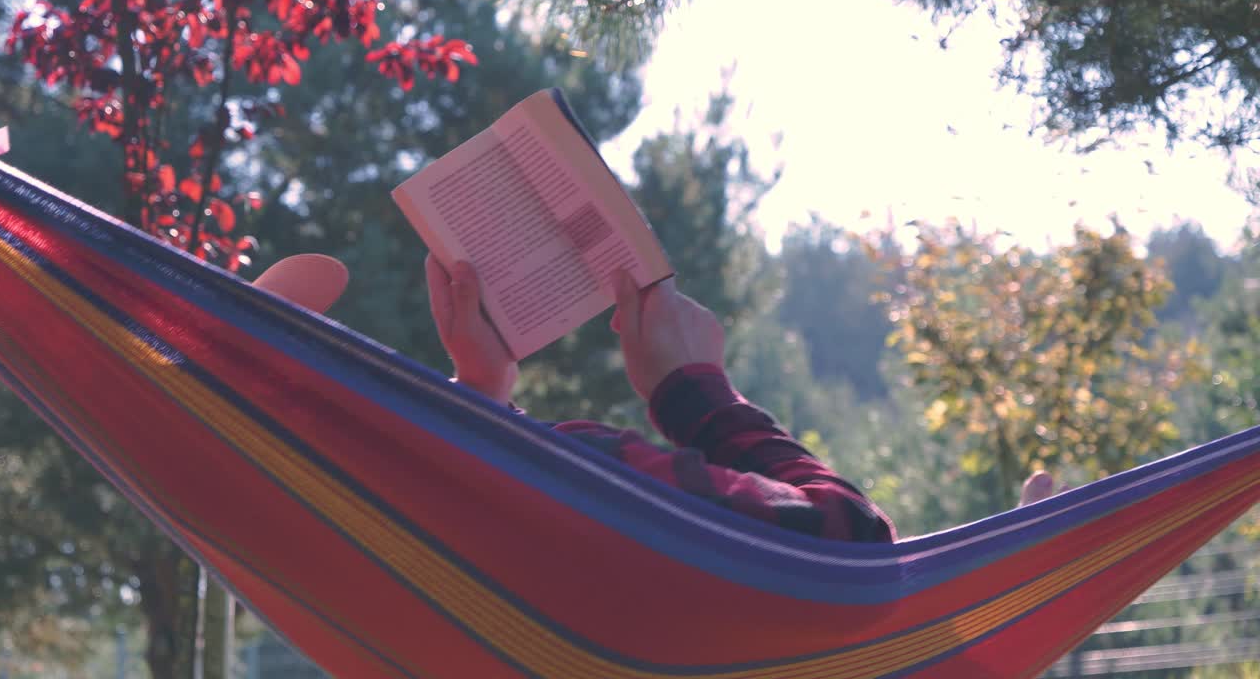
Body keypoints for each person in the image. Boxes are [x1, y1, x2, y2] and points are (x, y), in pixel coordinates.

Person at [253, 253, 1060, 544]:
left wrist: (485, 400)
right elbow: (847, 542)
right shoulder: (572, 472)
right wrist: (693, 391)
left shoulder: (361, 552)